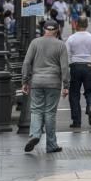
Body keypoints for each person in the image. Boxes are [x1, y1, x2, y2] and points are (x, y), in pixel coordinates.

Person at [21, 19, 69, 153]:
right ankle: (51, 144)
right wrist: (66, 85)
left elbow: (26, 63)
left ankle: (35, 135)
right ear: (57, 30)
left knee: (36, 110)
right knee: (50, 113)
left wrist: (25, 81)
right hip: (53, 82)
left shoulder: (35, 43)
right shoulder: (61, 45)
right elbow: (64, 67)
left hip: (36, 81)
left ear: (44, 30)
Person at [66, 16, 91, 129]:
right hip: (88, 66)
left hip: (75, 66)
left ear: (76, 24)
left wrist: (67, 68)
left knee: (74, 94)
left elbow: (66, 54)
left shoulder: (71, 38)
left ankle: (76, 121)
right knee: (90, 91)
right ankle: (90, 106)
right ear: (87, 25)